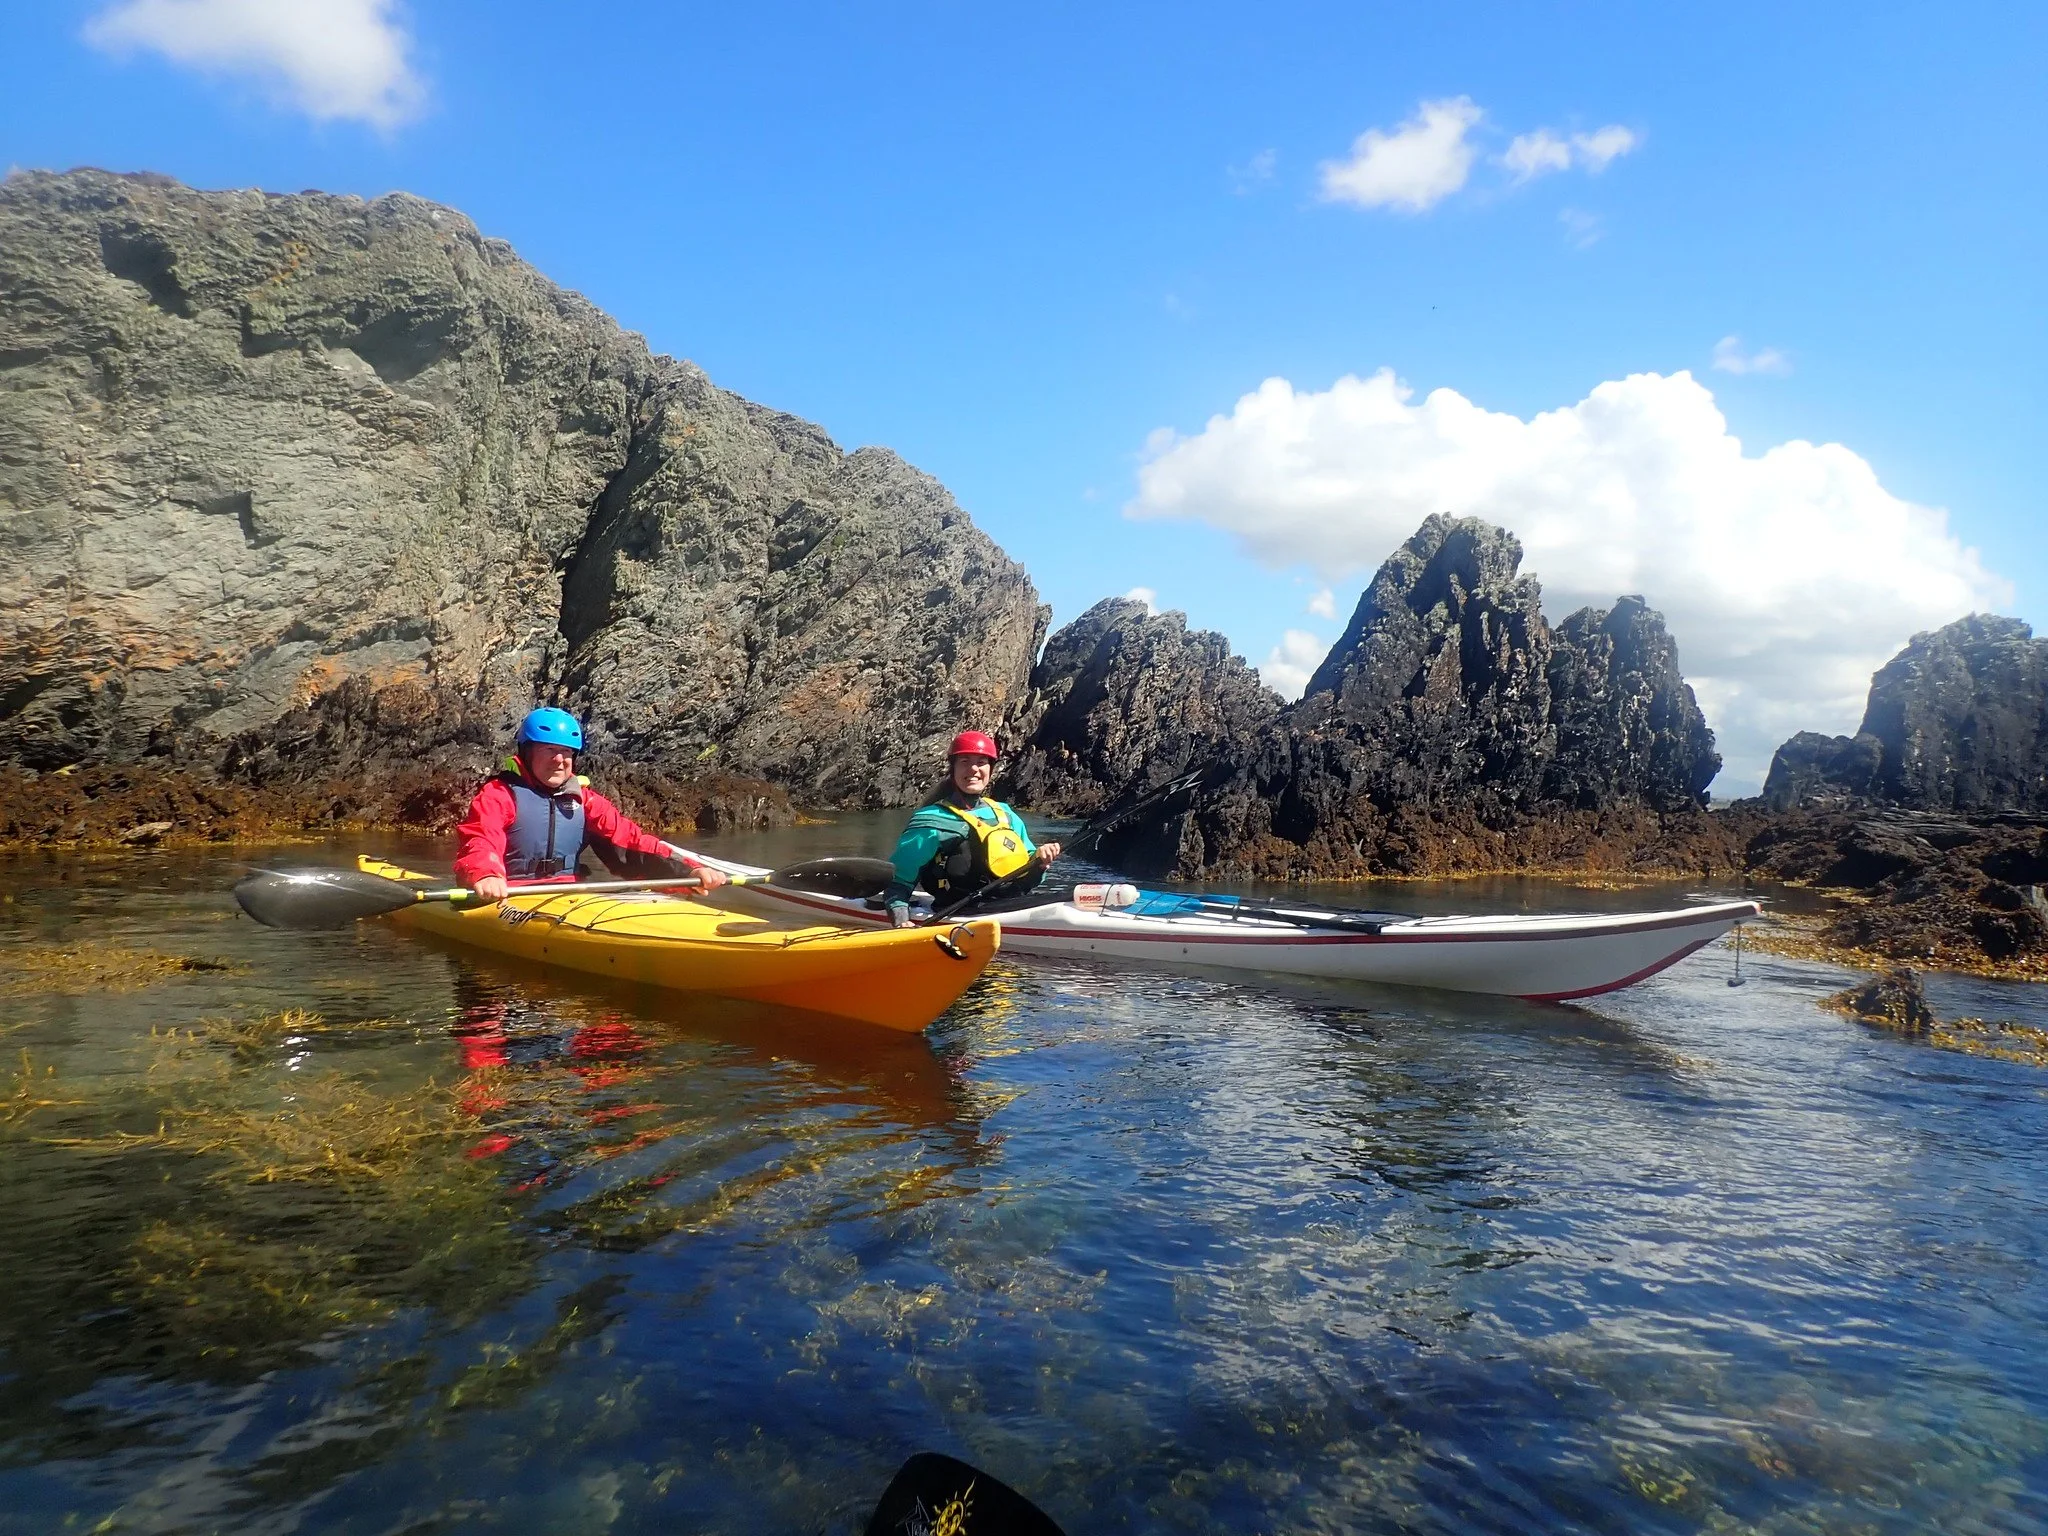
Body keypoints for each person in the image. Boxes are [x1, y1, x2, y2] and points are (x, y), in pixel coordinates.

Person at [453, 707, 728, 903]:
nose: (559, 760)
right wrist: (486, 875)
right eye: (549, 750)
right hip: (507, 894)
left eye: (566, 752)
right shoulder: (499, 795)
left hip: (567, 895)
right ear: (526, 752)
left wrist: (688, 870)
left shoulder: (584, 800)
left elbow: (631, 843)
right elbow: (481, 839)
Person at [884, 730, 1060, 926]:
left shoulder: (1005, 813)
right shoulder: (931, 819)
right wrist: (901, 920)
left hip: (1011, 904)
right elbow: (899, 880)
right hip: (958, 911)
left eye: (981, 762)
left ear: (991, 769)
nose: (974, 769)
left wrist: (1040, 860)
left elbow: (1027, 868)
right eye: (965, 762)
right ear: (953, 768)